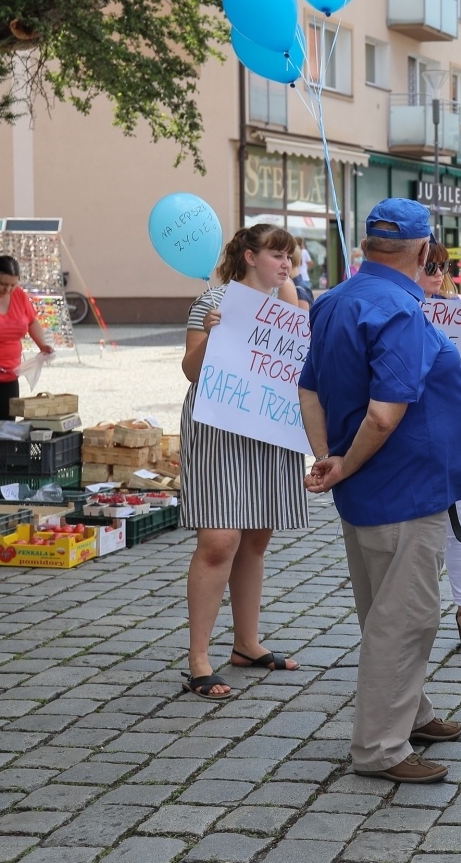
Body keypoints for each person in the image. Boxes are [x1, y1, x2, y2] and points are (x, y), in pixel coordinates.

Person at [298, 199, 461, 784]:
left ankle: (411, 713)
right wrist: (345, 465)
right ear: (422, 249)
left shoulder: (334, 300)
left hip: (373, 487)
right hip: (405, 486)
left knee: (385, 606)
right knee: (404, 618)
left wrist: (329, 457)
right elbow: (384, 415)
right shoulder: (399, 310)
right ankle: (381, 747)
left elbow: (309, 390)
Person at [177, 225, 309, 700]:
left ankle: (247, 644)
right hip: (218, 427)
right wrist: (212, 335)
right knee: (219, 539)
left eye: (290, 257)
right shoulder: (213, 300)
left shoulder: (288, 307)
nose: (286, 264)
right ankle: (199, 659)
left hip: (266, 428)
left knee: (256, 536)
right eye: (278, 255)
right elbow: (191, 371)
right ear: (251, 256)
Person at [418, 242, 461, 655]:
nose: (437, 272)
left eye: (444, 266)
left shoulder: (459, 309)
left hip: (457, 430)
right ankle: (417, 614)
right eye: (429, 264)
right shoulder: (398, 309)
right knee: (417, 529)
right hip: (410, 431)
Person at [0, 255, 55, 424]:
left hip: (10, 372)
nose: (8, 289)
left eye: (13, 285)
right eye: (3, 284)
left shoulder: (19, 295)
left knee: (6, 427)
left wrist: (43, 344)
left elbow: (32, 321)